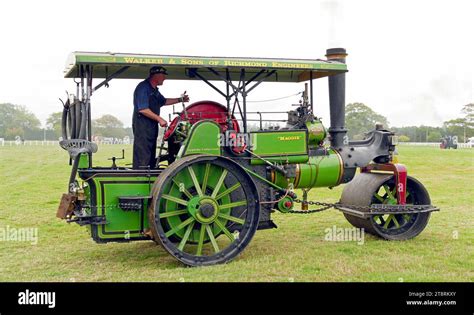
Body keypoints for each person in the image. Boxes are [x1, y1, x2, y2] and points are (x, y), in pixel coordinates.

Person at [132, 66, 189, 169]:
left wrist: (180, 99)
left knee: (150, 152)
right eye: (163, 76)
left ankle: (149, 173)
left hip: (151, 126)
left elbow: (164, 101)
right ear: (156, 76)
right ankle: (141, 176)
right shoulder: (143, 87)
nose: (164, 78)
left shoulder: (154, 90)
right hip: (142, 126)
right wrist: (159, 119)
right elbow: (143, 109)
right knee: (143, 154)